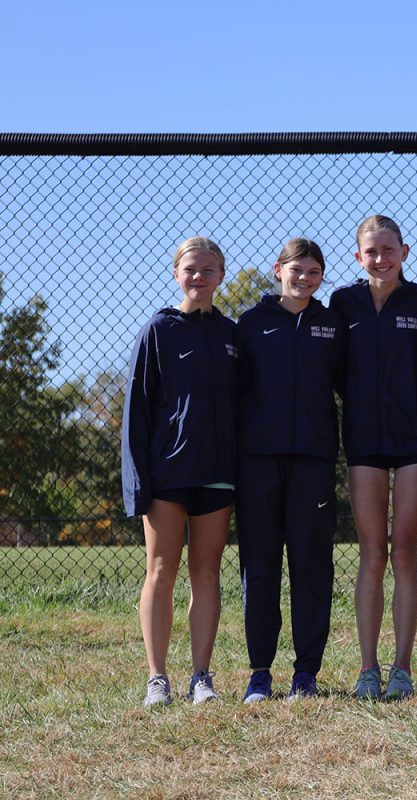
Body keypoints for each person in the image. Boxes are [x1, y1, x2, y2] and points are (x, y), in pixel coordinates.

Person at [121, 236, 237, 707]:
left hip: (217, 473)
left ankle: (202, 678)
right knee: (161, 570)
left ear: (220, 277)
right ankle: (157, 679)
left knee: (206, 572)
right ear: (176, 273)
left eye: (208, 270)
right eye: (191, 269)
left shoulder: (232, 334)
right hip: (167, 474)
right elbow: (137, 410)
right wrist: (138, 482)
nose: (199, 277)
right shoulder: (159, 329)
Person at [331, 215, 417, 700]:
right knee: (372, 553)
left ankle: (402, 668)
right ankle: (368, 668)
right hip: (363, 443)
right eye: (371, 252)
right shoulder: (343, 303)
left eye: (388, 250)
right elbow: (334, 371)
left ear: (405, 251)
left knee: (404, 551)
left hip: (416, 440)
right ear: (358, 257)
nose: (381, 259)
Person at [235, 238, 344, 703]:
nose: (304, 278)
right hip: (257, 463)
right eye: (296, 269)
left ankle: (306, 673)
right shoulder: (251, 324)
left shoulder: (331, 325)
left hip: (314, 463)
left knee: (311, 567)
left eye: (314, 271)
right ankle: (260, 672)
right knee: (259, 568)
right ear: (279, 270)